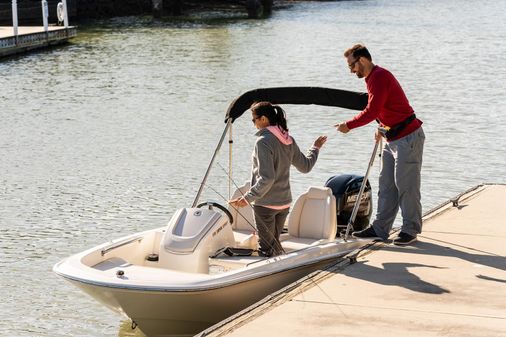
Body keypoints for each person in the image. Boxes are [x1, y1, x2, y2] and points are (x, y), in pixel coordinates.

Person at [335, 44, 425, 246]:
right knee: (386, 186)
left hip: (408, 137)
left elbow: (372, 110)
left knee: (406, 186)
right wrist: (381, 127)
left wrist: (349, 125)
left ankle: (410, 229)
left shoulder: (379, 76)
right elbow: (384, 108)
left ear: (363, 60)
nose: (351, 70)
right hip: (391, 137)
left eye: (352, 65)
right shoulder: (371, 79)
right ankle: (380, 229)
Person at [229, 101, 327, 257]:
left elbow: (267, 178)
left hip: (265, 205)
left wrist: (247, 198)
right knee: (274, 244)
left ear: (263, 119)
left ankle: (263, 277)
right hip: (284, 203)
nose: (253, 123)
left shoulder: (263, 142)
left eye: (254, 120)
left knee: (266, 249)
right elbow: (306, 166)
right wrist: (315, 148)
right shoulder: (288, 139)